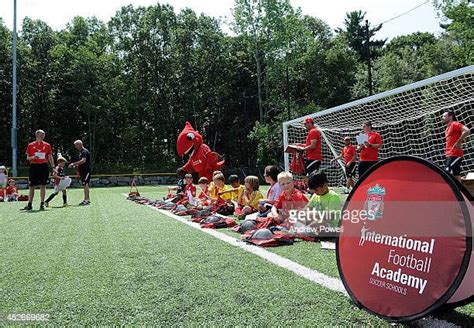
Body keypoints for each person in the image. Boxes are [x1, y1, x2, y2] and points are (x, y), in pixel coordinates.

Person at [22, 130, 54, 211]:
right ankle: (29, 204)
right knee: (31, 186)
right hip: (34, 166)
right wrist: (33, 157)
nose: (43, 135)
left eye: (44, 134)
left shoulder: (47, 145)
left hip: (44, 166)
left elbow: (50, 157)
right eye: (42, 134)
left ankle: (42, 204)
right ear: (37, 135)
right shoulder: (30, 145)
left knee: (43, 185)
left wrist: (53, 167)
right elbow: (27, 158)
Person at [306, 171, 342, 238]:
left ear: (325, 185)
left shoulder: (333, 197)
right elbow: (307, 208)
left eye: (316, 190)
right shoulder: (316, 195)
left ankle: (308, 231)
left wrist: (314, 215)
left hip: (330, 226)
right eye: (314, 191)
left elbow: (330, 217)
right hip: (317, 222)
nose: (315, 192)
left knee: (319, 225)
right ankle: (309, 230)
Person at [443, 111, 471, 182]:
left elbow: (467, 130)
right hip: (449, 154)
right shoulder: (447, 128)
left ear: (450, 116)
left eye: (444, 116)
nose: (442, 118)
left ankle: (450, 191)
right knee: (456, 175)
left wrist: (459, 141)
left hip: (455, 154)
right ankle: (461, 192)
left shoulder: (455, 124)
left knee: (447, 171)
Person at [69, 140, 91, 205]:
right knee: (84, 184)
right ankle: (87, 199)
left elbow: (83, 161)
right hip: (82, 171)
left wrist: (73, 164)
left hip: (86, 171)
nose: (76, 147)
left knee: (85, 184)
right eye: (75, 145)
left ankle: (86, 200)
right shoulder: (81, 152)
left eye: (76, 145)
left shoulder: (84, 151)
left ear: (80, 144)